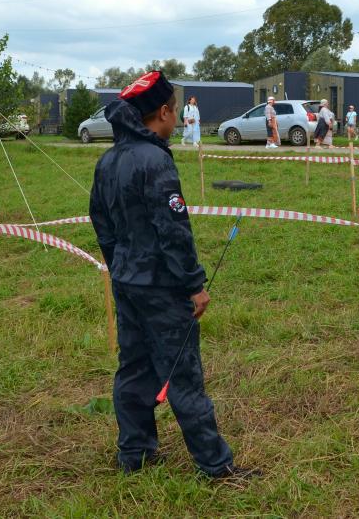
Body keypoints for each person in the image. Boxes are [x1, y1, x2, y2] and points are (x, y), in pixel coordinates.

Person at [89, 71, 257, 480]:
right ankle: (216, 466)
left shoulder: (107, 160)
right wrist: (193, 285)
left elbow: (101, 221)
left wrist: (121, 264)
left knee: (133, 368)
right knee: (182, 375)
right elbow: (173, 231)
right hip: (162, 288)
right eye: (176, 113)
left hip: (126, 282)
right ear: (162, 112)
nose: (178, 120)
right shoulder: (156, 159)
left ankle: (136, 454)